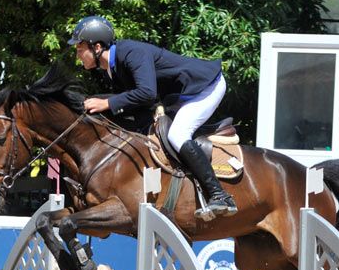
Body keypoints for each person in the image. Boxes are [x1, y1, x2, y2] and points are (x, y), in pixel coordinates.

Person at [68, 15, 237, 218]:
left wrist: (106, 103)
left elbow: (147, 93)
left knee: (177, 134)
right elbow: (139, 104)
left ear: (96, 47)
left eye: (80, 48)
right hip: (179, 95)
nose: (77, 55)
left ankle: (219, 195)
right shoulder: (111, 69)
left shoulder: (131, 53)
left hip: (205, 86)